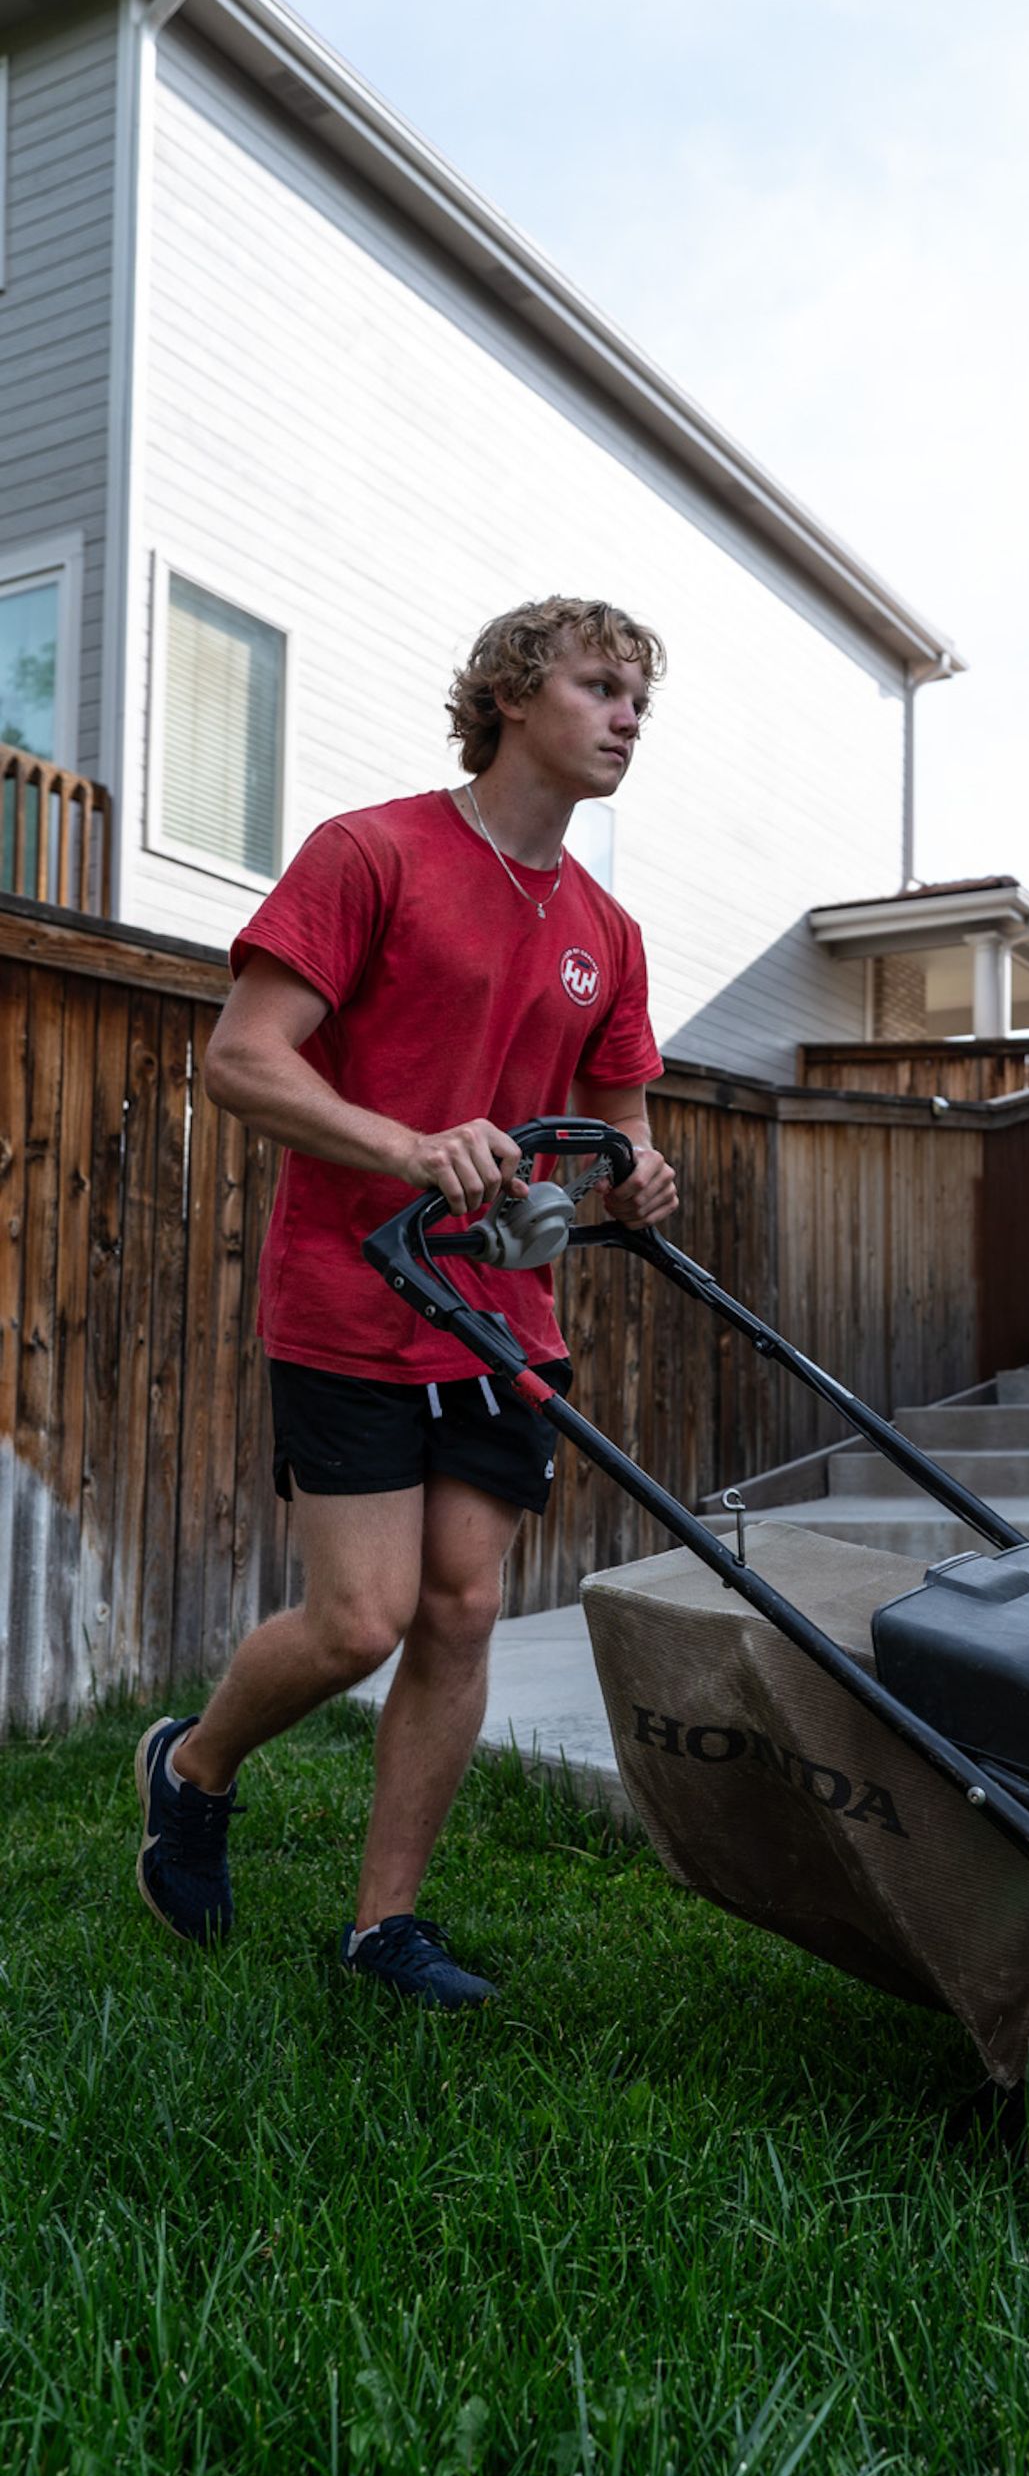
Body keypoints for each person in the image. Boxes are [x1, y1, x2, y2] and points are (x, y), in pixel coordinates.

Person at [133, 595, 680, 2007]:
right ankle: (192, 1767)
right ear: (511, 694)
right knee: (361, 1618)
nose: (626, 715)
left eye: (640, 698)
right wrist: (410, 1146)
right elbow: (244, 1060)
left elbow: (620, 1131)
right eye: (600, 685)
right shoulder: (371, 853)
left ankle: (384, 1928)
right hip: (351, 1297)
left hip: (503, 1319)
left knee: (463, 1607)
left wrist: (641, 1177)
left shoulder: (605, 931)